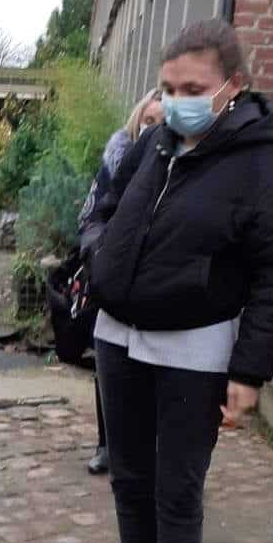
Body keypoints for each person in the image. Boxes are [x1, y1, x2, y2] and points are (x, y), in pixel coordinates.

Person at [69, 18, 273, 543]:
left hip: (195, 348)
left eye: (193, 88)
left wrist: (249, 372)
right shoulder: (156, 143)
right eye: (169, 88)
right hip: (120, 336)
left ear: (233, 86)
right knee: (129, 477)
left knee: (177, 487)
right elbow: (105, 206)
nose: (177, 100)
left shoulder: (258, 160)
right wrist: (100, 255)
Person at [86, 89, 163, 476]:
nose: (154, 129)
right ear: (137, 121)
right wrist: (97, 255)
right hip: (114, 278)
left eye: (160, 123)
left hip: (155, 283)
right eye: (148, 121)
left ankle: (147, 448)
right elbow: (94, 212)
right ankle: (107, 443)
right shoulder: (116, 160)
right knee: (109, 365)